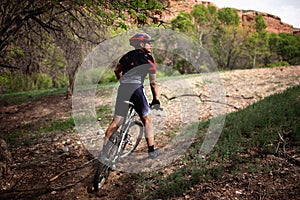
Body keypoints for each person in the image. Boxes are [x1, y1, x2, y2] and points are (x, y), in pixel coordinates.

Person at [104, 33, 161, 159]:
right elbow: (153, 82)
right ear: (141, 44)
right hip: (136, 90)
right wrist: (156, 99)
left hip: (123, 89)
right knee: (146, 120)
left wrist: (123, 82)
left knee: (116, 122)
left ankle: (104, 156)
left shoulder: (126, 56)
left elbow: (116, 70)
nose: (151, 45)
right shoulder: (149, 58)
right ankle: (152, 151)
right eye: (148, 43)